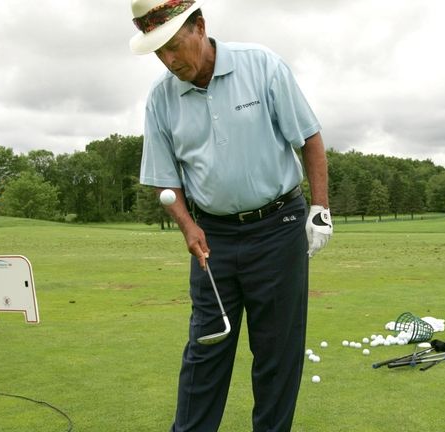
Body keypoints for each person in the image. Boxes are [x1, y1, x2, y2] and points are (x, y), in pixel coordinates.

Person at [129, 1, 333, 431]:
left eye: (172, 46)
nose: (168, 60)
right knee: (206, 348)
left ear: (199, 26)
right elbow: (165, 181)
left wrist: (320, 209)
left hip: (278, 227)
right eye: (158, 52)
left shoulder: (261, 66)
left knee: (277, 353)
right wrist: (188, 227)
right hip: (212, 236)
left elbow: (309, 138)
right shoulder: (161, 98)